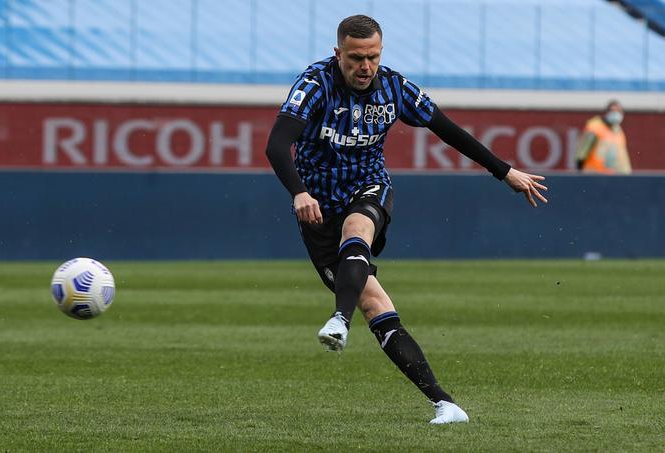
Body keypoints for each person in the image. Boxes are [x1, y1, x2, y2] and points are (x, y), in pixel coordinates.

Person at [265, 14, 548, 425]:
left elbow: (447, 129)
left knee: (357, 227)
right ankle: (446, 404)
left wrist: (503, 171)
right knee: (376, 303)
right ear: (337, 54)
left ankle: (339, 318)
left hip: (368, 186)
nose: (365, 67)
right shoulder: (314, 84)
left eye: (373, 57)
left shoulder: (394, 86)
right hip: (317, 207)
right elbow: (276, 145)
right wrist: (300, 193)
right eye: (355, 58)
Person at [575, 100, 632, 174]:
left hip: (612, 176)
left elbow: (622, 158)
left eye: (618, 111)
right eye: (612, 110)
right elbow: (581, 153)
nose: (615, 114)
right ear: (607, 112)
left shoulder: (618, 132)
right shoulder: (594, 128)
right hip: (593, 174)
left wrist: (626, 173)